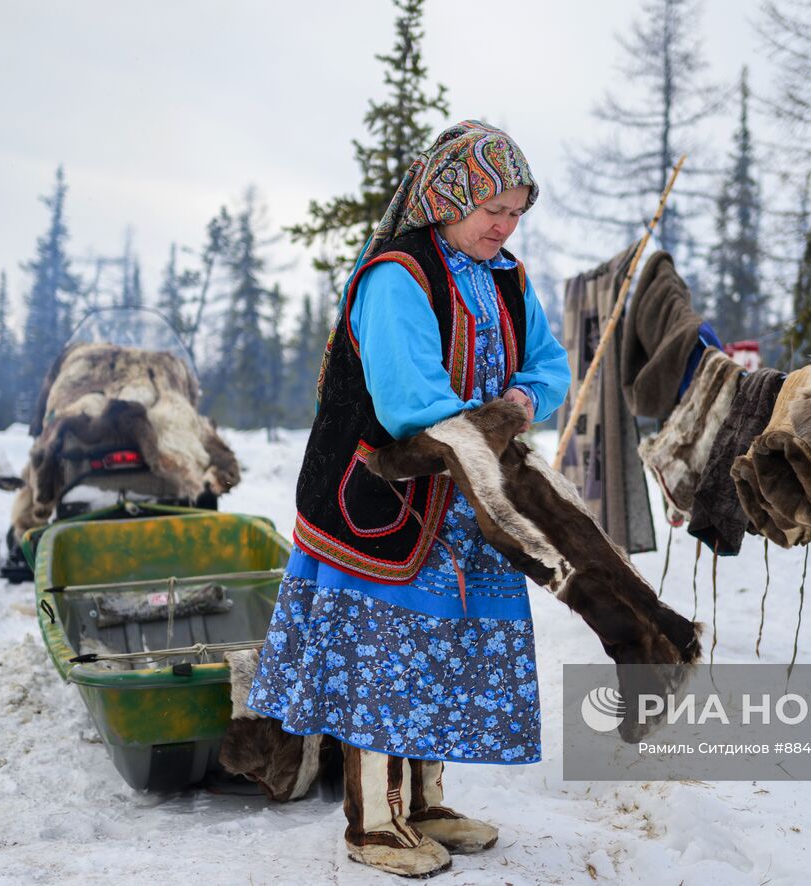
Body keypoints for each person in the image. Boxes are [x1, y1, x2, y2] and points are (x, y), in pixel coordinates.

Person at [248, 120, 570, 877]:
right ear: (448, 196)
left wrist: (520, 404)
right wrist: (498, 414)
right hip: (385, 501)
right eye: (493, 205)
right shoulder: (399, 276)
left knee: (442, 652)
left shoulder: (507, 279)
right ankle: (373, 824)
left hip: (462, 504)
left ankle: (422, 804)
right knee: (386, 658)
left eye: (517, 210)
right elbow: (409, 403)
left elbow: (550, 366)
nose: (505, 223)